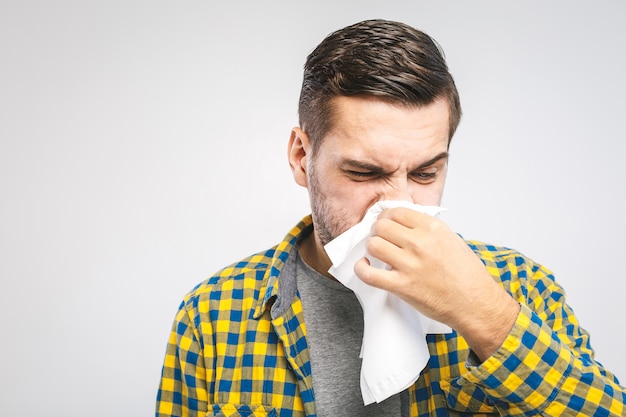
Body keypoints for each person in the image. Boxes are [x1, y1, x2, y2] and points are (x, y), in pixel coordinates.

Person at [155, 19, 625, 416]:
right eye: (364, 172)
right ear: (302, 157)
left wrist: (484, 314)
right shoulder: (214, 314)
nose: (398, 204)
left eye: (425, 173)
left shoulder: (519, 287)